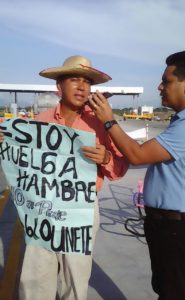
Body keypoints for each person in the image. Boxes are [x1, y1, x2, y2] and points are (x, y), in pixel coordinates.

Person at [85, 50, 185, 300]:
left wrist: (108, 121)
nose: (159, 87)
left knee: (177, 292)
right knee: (166, 288)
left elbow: (137, 155)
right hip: (166, 224)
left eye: (166, 81)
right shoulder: (184, 120)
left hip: (178, 227)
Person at [19, 55, 129, 300]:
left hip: (82, 208)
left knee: (76, 280)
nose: (82, 87)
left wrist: (107, 158)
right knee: (35, 277)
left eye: (87, 82)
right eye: (74, 80)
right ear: (59, 86)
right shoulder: (41, 121)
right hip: (43, 207)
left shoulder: (101, 123)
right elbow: (25, 165)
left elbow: (121, 167)